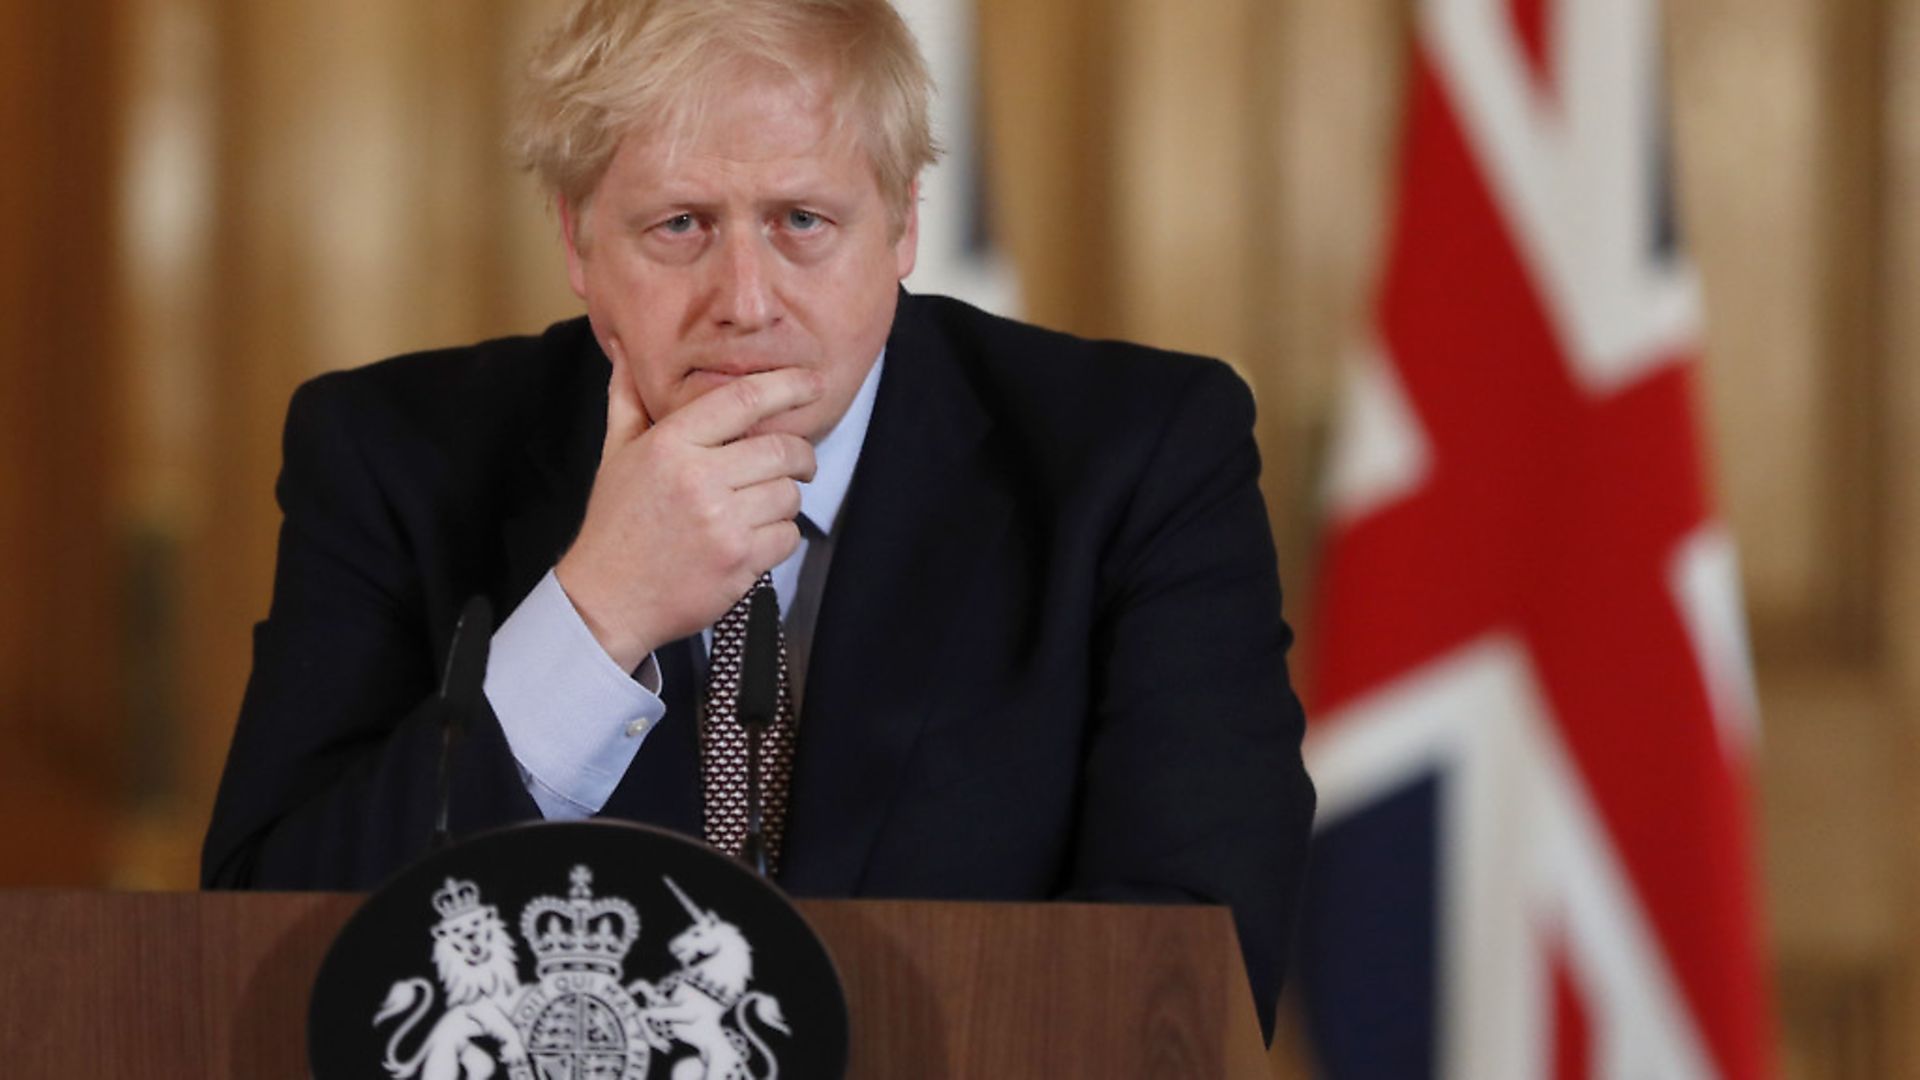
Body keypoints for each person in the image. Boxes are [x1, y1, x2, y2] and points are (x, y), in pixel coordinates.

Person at [201, 0, 1313, 1036]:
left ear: (902, 226)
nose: (745, 297)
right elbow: (266, 942)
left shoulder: (1139, 455)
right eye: (680, 224)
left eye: (802, 221)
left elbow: (1187, 962)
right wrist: (595, 618)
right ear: (578, 240)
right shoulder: (393, 453)